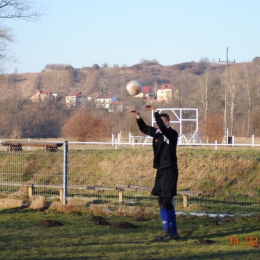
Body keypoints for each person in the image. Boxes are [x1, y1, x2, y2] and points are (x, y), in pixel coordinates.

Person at [129, 105, 179, 240]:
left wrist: (155, 111)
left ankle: (173, 232)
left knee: (168, 202)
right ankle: (166, 231)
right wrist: (138, 116)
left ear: (166, 123)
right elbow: (144, 128)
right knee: (161, 202)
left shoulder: (172, 134)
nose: (156, 125)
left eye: (159, 123)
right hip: (161, 171)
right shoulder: (157, 133)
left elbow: (162, 127)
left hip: (170, 170)